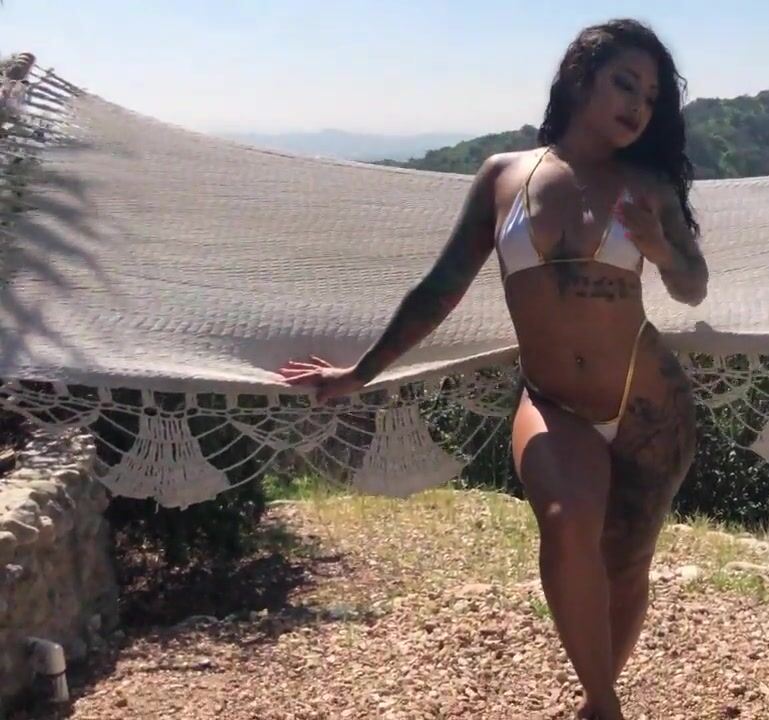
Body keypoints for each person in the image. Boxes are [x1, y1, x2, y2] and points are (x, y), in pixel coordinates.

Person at [278, 18, 708, 720]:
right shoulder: (504, 175)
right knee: (567, 523)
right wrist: (362, 371)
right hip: (554, 401)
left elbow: (693, 287)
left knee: (627, 565)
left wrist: (662, 249)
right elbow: (440, 288)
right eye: (625, 84)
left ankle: (596, 702)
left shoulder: (648, 186)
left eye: (651, 96)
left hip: (649, 404)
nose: (638, 105)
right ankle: (604, 705)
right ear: (581, 80)